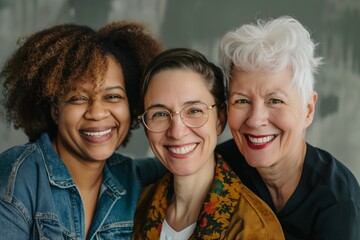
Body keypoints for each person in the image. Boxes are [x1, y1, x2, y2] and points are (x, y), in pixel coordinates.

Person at [0, 20, 165, 239]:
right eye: (78, 98)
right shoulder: (18, 174)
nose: (97, 113)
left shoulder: (133, 177)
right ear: (55, 109)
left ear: (132, 104)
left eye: (112, 97)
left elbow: (203, 159)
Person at [216, 16, 360, 240]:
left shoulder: (336, 201)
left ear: (308, 110)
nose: (255, 120)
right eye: (242, 101)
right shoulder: (219, 167)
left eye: (275, 100)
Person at [132, 48, 285, 239]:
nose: (177, 132)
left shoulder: (255, 229)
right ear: (146, 127)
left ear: (220, 119)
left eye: (194, 111)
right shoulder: (135, 209)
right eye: (160, 114)